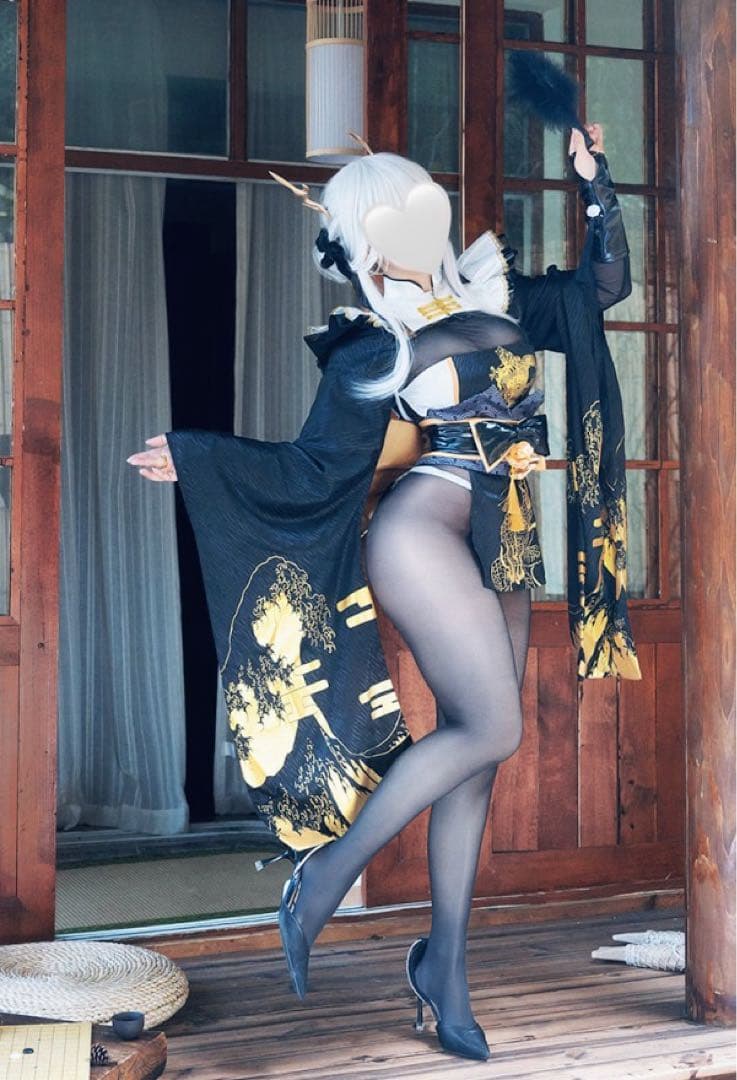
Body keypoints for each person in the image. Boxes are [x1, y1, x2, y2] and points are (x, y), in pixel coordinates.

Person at [127, 123, 639, 1061]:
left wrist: (593, 180)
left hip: (505, 536)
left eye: (419, 204)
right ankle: (325, 875)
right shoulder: (373, 342)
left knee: (478, 757)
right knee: (492, 727)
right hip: (421, 529)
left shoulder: (499, 295)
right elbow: (313, 464)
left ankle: (444, 968)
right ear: (363, 239)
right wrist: (199, 457)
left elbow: (605, 287)